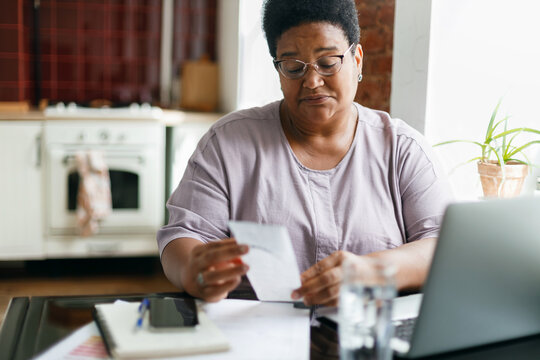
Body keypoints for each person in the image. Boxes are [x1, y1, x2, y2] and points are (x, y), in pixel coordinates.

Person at [157, 0, 453, 307]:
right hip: (257, 339)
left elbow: (444, 247)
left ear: (358, 60)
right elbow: (183, 235)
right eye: (293, 67)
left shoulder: (402, 149)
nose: (312, 82)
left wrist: (373, 271)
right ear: (278, 69)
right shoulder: (228, 143)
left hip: (365, 338)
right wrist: (193, 270)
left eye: (328, 63)